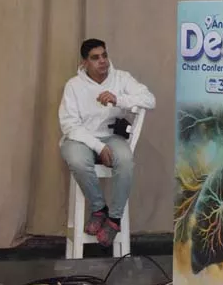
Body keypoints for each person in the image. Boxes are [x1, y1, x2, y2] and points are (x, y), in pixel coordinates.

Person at [58, 38, 156, 247]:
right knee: (77, 159)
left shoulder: (121, 78)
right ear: (84, 62)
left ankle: (114, 219)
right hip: (81, 138)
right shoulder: (74, 86)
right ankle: (99, 208)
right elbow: (69, 125)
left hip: (112, 136)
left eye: (104, 55)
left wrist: (119, 99)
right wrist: (98, 146)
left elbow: (150, 100)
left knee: (126, 160)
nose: (102, 61)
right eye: (95, 58)